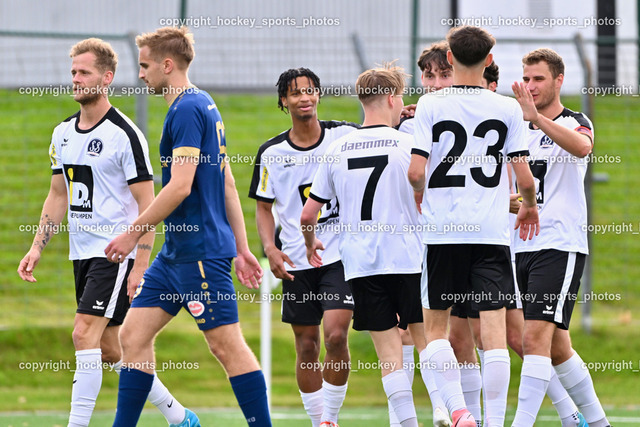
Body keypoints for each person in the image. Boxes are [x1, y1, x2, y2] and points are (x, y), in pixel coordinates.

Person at [16, 38, 195, 427]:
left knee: (83, 334)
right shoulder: (62, 133)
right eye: (73, 72)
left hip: (114, 253)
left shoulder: (125, 134)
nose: (76, 79)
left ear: (107, 78)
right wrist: (36, 247)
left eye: (84, 72)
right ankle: (179, 416)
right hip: (81, 254)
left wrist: (140, 264)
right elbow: (58, 194)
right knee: (111, 349)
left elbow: (148, 205)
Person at [103, 26, 270, 426]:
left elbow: (180, 186)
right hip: (175, 255)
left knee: (226, 346)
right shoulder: (202, 103)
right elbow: (226, 182)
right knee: (132, 336)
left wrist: (132, 232)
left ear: (167, 65)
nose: (140, 74)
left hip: (201, 255)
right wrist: (242, 248)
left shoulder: (188, 109)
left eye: (145, 66)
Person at [408, 25, 539, 427]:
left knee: (435, 330)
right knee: (494, 335)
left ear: (449, 58)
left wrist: (422, 194)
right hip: (490, 233)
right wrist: (529, 206)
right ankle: (494, 421)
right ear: (489, 61)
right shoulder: (507, 108)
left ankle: (459, 411)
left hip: (443, 232)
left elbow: (415, 172)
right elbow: (525, 179)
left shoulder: (430, 104)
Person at [301, 63, 425, 427]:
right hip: (408, 258)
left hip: (361, 264)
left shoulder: (337, 148)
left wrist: (311, 244)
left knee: (389, 357)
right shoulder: (409, 145)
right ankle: (448, 411)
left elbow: (308, 215)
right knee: (430, 344)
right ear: (392, 98)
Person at [248, 68, 356, 427]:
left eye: (310, 90)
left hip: (339, 256)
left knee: (336, 335)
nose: (304, 98)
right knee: (307, 345)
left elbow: (380, 133)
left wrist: (402, 113)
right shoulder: (271, 153)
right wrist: (270, 248)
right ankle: (317, 420)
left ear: (319, 94)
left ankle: (330, 419)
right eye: (295, 93)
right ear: (284, 101)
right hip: (296, 260)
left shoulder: (344, 135)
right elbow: (263, 208)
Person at [510, 48, 610, 427]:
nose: (531, 86)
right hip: (518, 247)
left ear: (558, 80)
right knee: (555, 346)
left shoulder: (575, 121)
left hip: (558, 245)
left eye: (538, 79)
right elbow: (510, 191)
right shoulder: (516, 129)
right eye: (526, 79)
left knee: (533, 339)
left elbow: (582, 147)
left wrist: (537, 118)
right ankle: (595, 422)